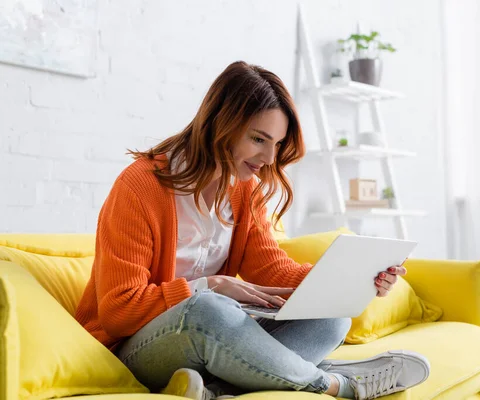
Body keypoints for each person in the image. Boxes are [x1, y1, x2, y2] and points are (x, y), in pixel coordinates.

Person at [75, 61, 430, 400]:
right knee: (209, 310)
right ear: (220, 124)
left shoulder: (244, 190)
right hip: (136, 348)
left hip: (210, 347)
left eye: (276, 144)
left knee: (331, 317)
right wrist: (207, 286)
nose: (270, 158)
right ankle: (335, 383)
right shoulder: (140, 186)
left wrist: (349, 279)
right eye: (259, 139)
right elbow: (118, 312)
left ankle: (216, 388)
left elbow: (273, 271)